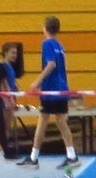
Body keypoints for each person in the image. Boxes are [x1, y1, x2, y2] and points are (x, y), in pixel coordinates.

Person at [21, 15, 78, 169]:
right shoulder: (59, 45)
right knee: (61, 122)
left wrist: (38, 82)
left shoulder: (47, 44)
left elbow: (51, 64)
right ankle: (72, 156)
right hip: (61, 88)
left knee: (42, 122)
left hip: (51, 91)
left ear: (45, 28)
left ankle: (34, 158)